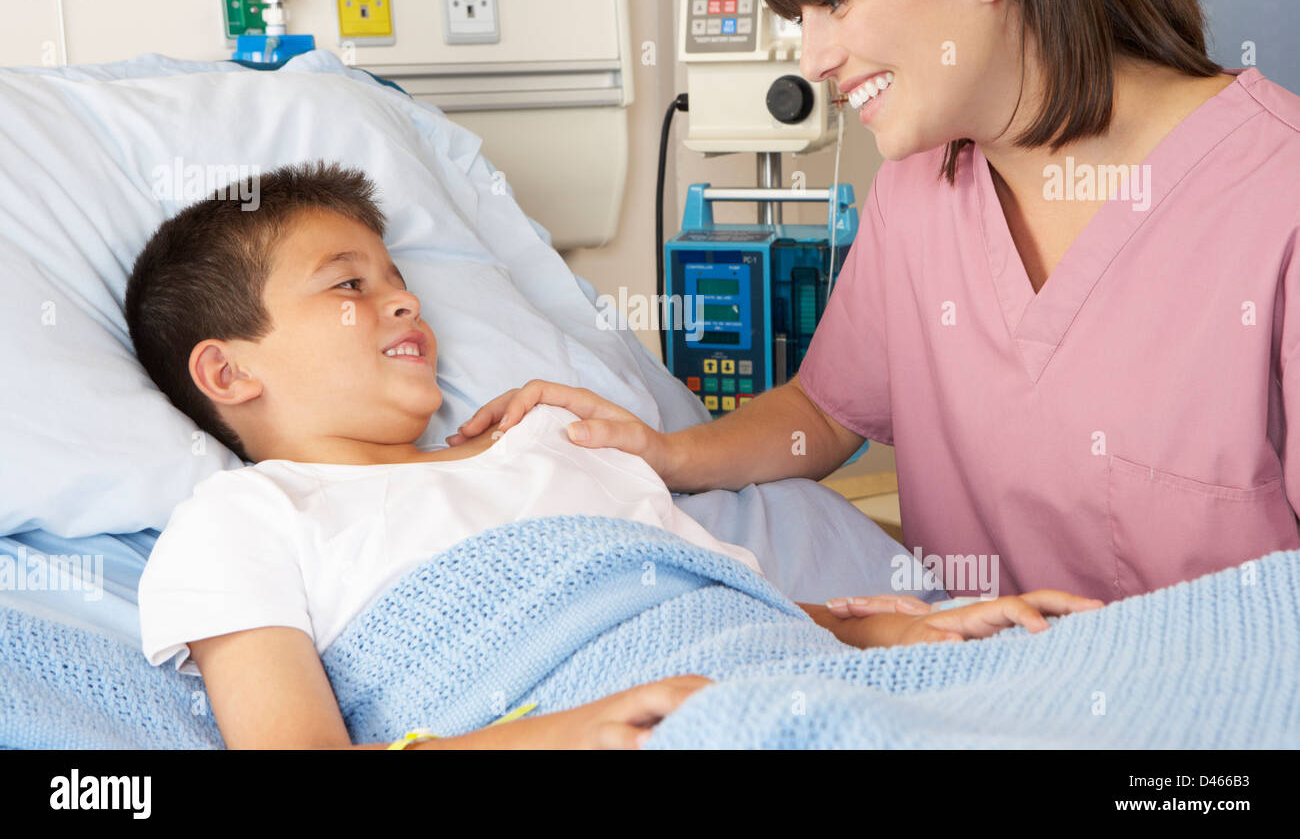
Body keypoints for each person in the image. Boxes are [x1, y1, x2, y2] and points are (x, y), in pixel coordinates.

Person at [451, 0, 1300, 607]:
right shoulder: (922, 187)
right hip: (974, 701)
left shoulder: (1275, 198)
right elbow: (826, 410)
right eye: (799, 17)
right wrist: (669, 452)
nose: (815, 57)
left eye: (836, 1)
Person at [124, 160, 1100, 749]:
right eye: (347, 283)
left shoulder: (560, 444)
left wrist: (914, 632)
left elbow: (711, 606)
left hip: (788, 685)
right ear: (227, 370)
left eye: (399, 278)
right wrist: (569, 730)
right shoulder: (243, 519)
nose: (403, 299)